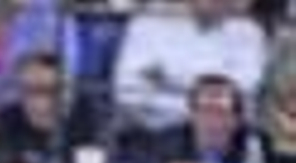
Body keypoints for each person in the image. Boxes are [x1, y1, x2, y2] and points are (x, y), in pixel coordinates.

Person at [112, 0, 267, 133]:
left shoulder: (249, 32)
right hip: (154, 134)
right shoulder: (146, 24)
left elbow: (247, 88)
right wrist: (208, 100)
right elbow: (127, 91)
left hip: (224, 139)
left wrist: (168, 78)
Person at [140, 73, 264, 163]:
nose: (211, 122)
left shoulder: (254, 143)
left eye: (220, 112)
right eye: (204, 111)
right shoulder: (168, 140)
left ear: (236, 120)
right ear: (191, 115)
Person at [0, 51, 101, 163]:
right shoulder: (6, 121)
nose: (38, 102)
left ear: (67, 93)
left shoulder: (88, 121)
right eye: (27, 90)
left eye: (49, 91)